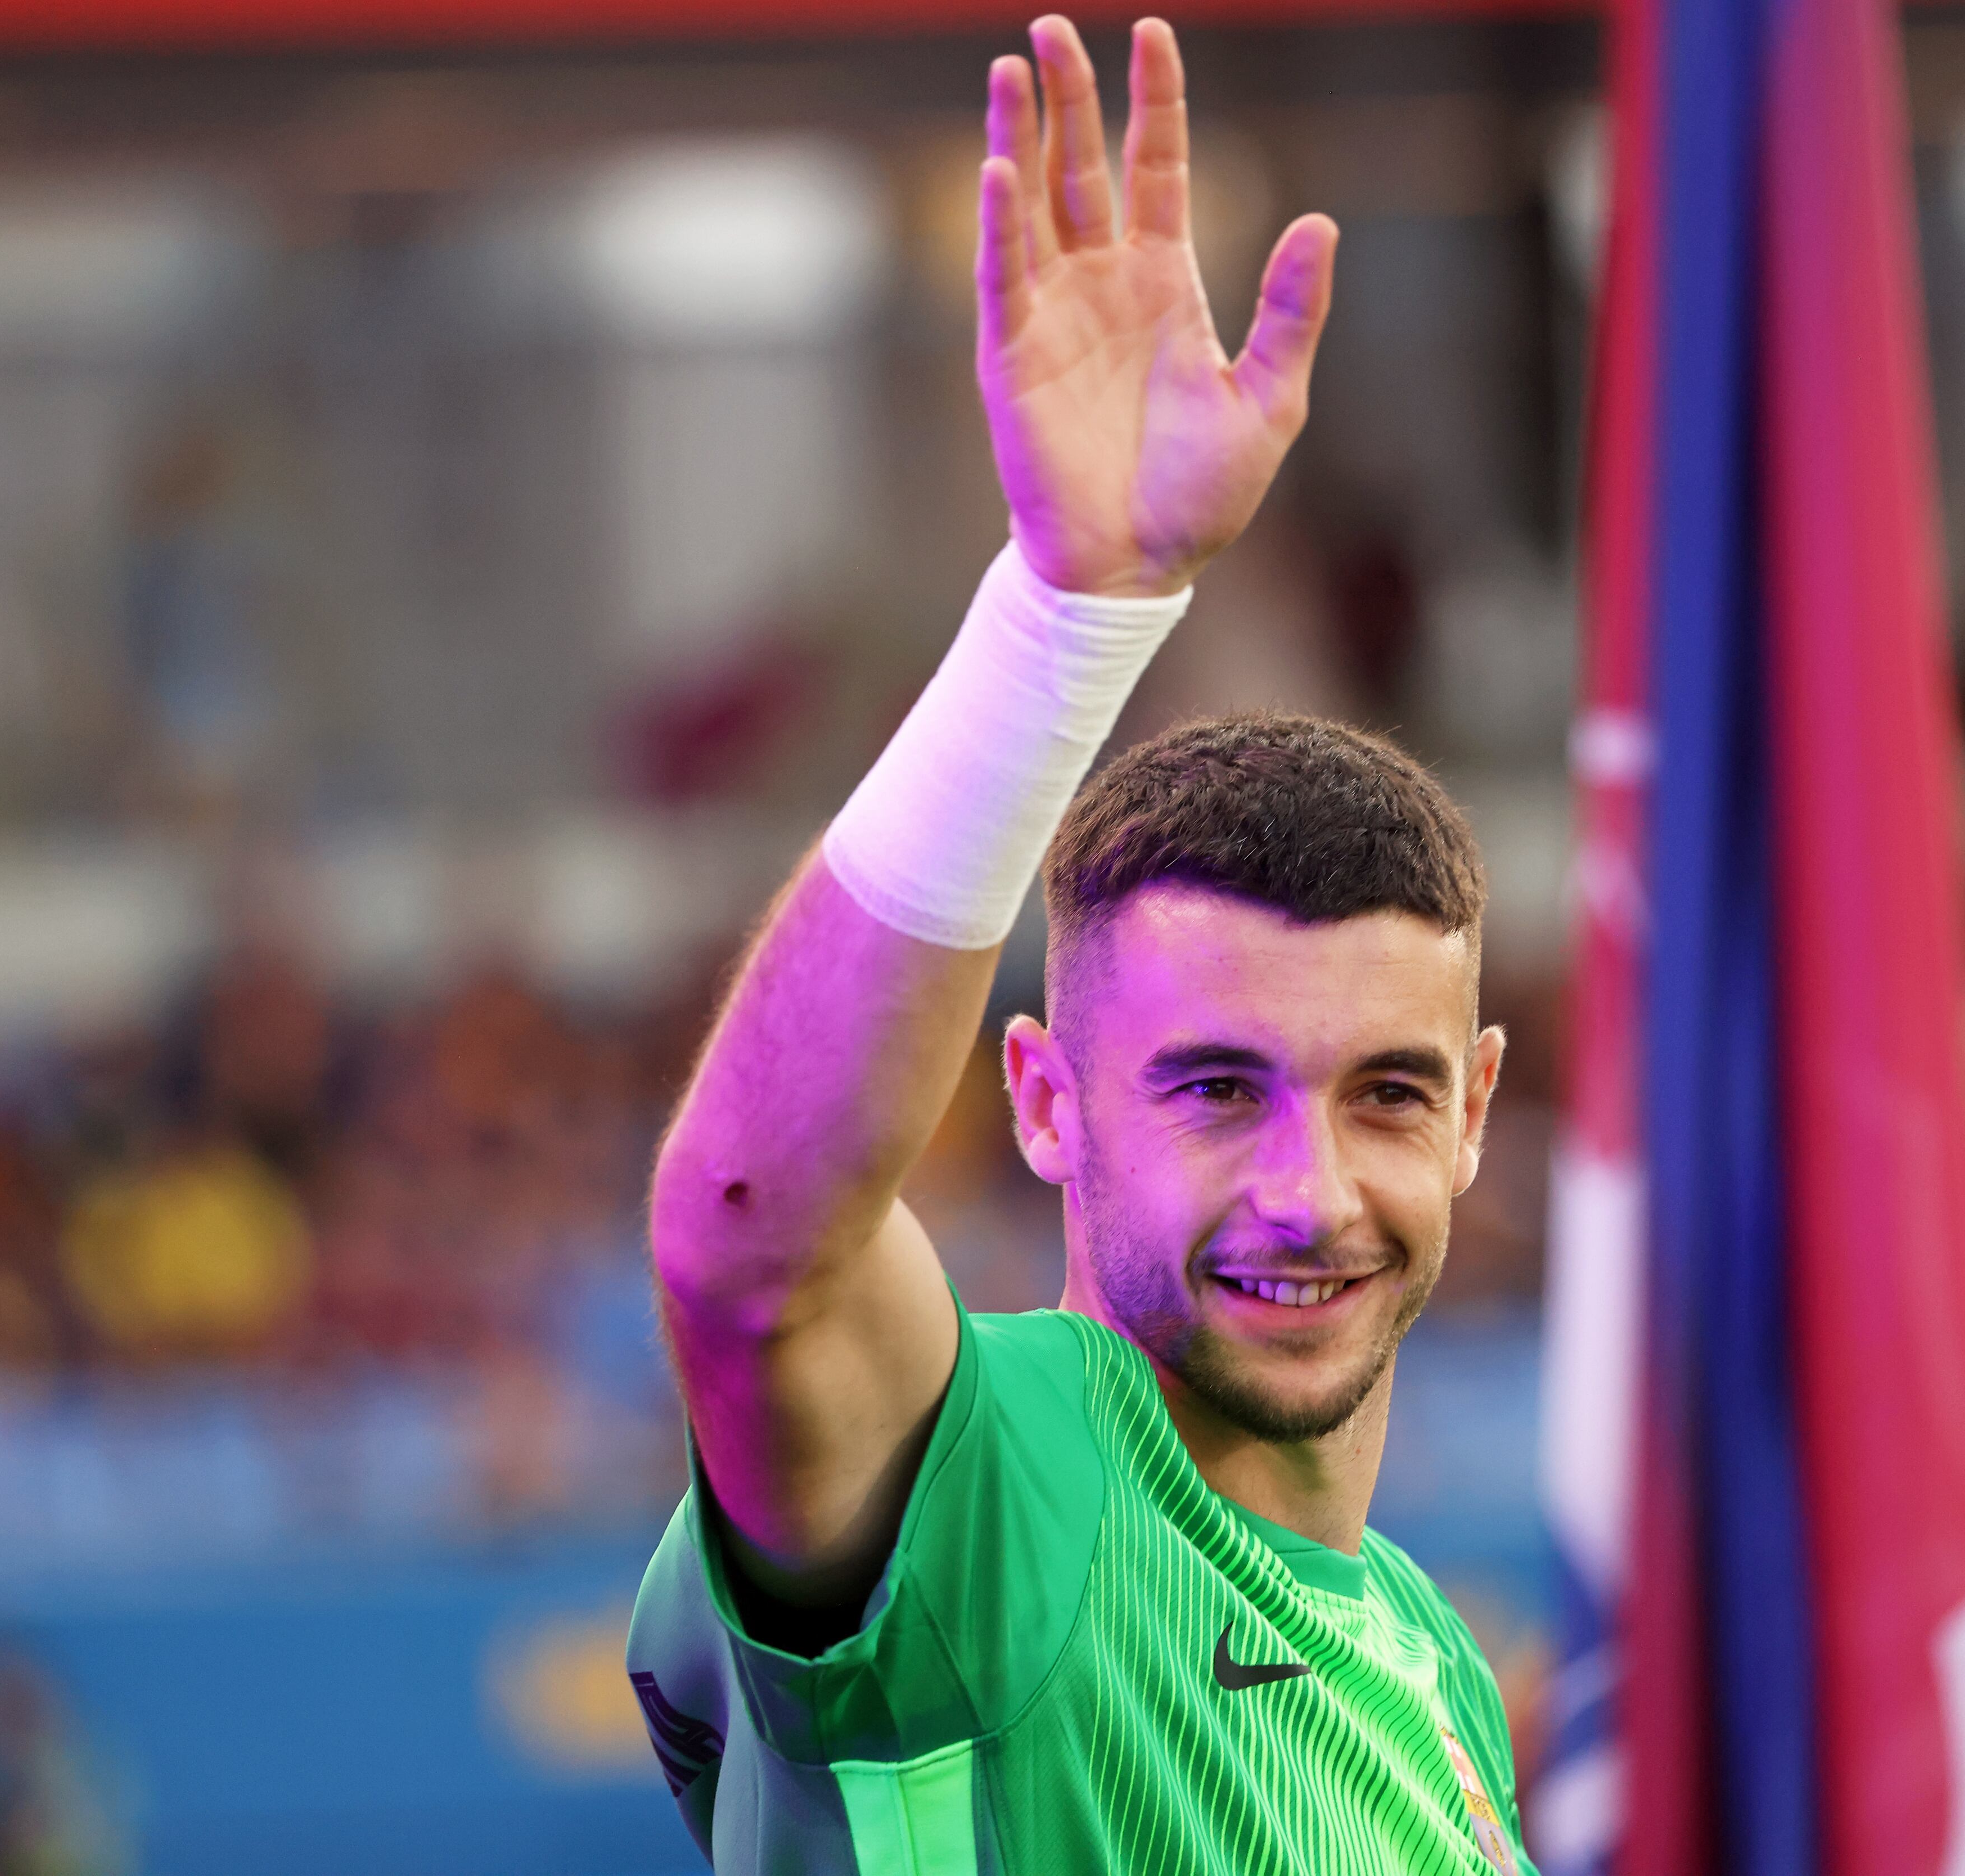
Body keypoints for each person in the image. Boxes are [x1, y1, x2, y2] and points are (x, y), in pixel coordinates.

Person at [627, 16, 1531, 1873]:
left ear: (1475, 1115)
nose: (1312, 1191)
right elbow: (751, 1251)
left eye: (1387, 1092)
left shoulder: (1431, 1660)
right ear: (1042, 1097)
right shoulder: (1005, 1487)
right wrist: (1066, 617)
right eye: (1215, 1086)